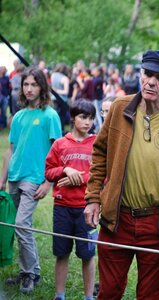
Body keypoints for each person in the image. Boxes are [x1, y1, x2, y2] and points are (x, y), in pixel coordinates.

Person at [84, 50, 159, 300]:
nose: (151, 81)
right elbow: (100, 152)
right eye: (147, 74)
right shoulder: (120, 108)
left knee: (150, 294)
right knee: (109, 291)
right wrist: (92, 198)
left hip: (156, 222)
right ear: (140, 74)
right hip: (117, 217)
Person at [0, 66, 62, 293]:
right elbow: (10, 150)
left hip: (35, 178)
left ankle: (29, 274)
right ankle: (29, 270)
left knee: (21, 225)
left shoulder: (50, 115)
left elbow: (58, 152)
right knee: (20, 227)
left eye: (33, 84)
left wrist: (48, 182)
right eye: (25, 84)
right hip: (15, 177)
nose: (28, 88)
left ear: (42, 87)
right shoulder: (18, 116)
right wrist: (2, 179)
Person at [44, 100, 97, 300]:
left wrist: (80, 176)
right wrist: (65, 169)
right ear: (72, 118)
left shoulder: (97, 143)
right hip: (62, 207)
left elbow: (104, 174)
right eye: (83, 117)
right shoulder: (60, 144)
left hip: (87, 208)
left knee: (88, 254)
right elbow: (48, 172)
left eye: (91, 118)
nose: (87, 122)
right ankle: (60, 295)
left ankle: (89, 296)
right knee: (61, 253)